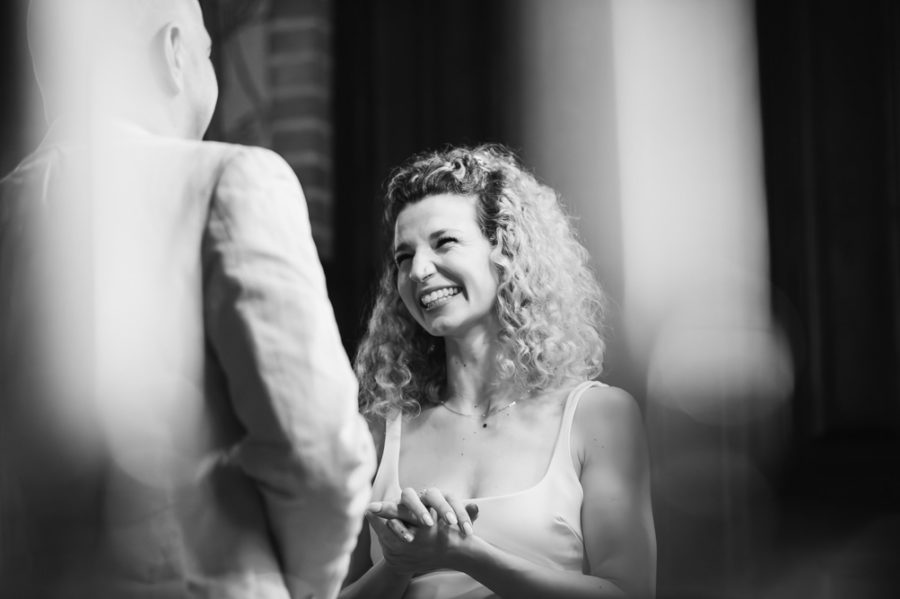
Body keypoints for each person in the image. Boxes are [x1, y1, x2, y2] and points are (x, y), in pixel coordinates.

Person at [0, 1, 374, 598]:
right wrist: (294, 586)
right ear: (173, 52)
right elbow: (317, 453)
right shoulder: (232, 179)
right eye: (207, 52)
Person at [342, 145, 656, 598]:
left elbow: (630, 592)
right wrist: (397, 565)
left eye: (444, 242)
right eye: (403, 257)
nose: (419, 270)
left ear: (505, 250)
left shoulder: (597, 416)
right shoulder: (377, 431)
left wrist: (468, 555)